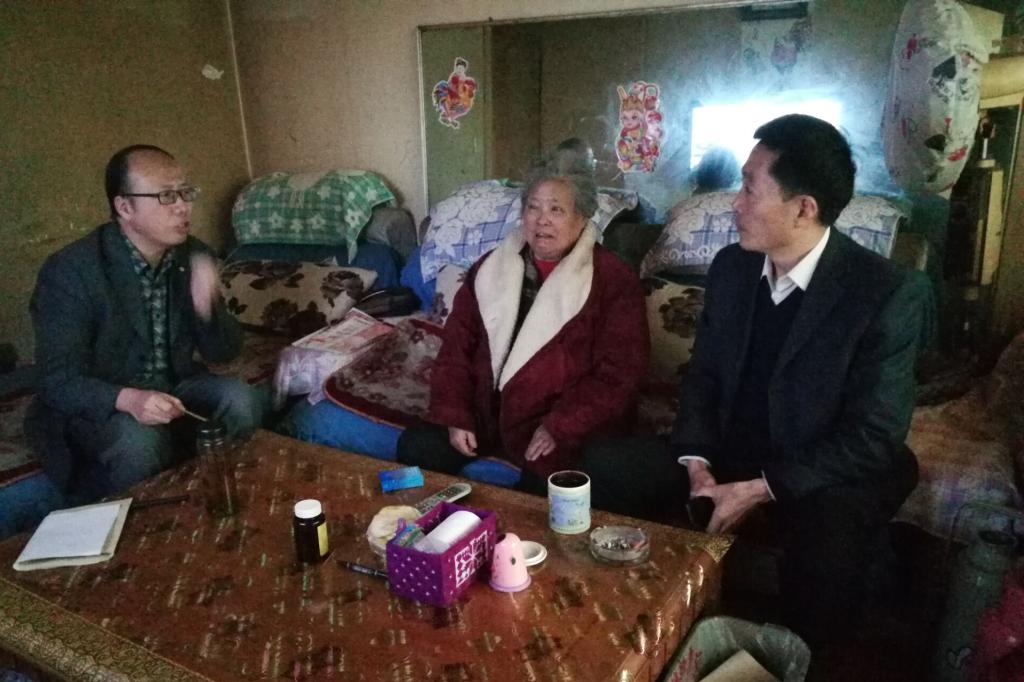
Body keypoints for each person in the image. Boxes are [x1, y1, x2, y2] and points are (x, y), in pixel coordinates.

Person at [673, 114, 933, 647]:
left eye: (749, 188)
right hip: (729, 449)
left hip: (818, 468)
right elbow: (703, 376)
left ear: (803, 208)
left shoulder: (885, 292)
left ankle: (802, 659)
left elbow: (874, 435)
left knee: (828, 540)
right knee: (605, 468)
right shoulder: (732, 268)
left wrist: (760, 488)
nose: (734, 203)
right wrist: (697, 462)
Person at [396, 151, 649, 494]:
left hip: (556, 424)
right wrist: (456, 415)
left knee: (548, 488)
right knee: (417, 447)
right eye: (533, 207)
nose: (542, 220)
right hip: (484, 415)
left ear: (582, 217)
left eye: (556, 210)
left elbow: (618, 376)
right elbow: (456, 348)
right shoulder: (490, 267)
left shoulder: (613, 280)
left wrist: (560, 426)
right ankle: (429, 529)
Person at [25, 145, 263, 500]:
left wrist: (207, 306)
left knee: (241, 400)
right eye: (166, 196)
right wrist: (130, 399)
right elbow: (55, 379)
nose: (183, 206)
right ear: (125, 208)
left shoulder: (192, 254)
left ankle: (225, 494)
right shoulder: (72, 271)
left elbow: (225, 352)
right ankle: (147, 521)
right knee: (138, 441)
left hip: (174, 383)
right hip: (104, 398)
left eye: (185, 193)